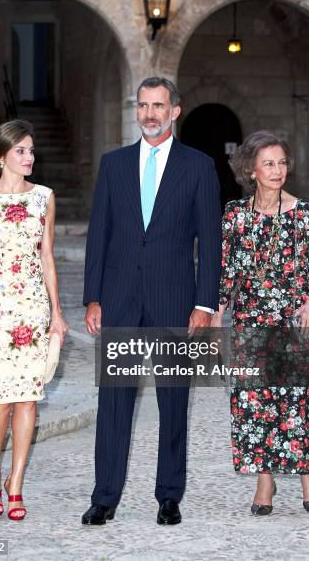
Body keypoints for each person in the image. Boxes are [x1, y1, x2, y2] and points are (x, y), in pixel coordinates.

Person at [82, 77, 222, 525]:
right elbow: (98, 236)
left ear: (175, 111)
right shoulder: (114, 164)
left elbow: (211, 241)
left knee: (174, 401)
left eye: (158, 105)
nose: (149, 114)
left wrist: (205, 303)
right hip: (120, 298)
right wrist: (93, 298)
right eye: (143, 105)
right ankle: (104, 497)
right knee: (114, 401)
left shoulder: (199, 167)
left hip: (175, 298)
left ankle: (169, 495)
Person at [211, 130, 309, 515]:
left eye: (281, 162)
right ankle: (265, 481)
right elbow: (226, 273)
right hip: (250, 320)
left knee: (299, 401)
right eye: (268, 163)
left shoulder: (308, 214)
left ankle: (307, 474)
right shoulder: (234, 215)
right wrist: (216, 315)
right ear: (251, 170)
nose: (277, 170)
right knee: (254, 402)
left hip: (296, 321)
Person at [0, 120, 68, 520]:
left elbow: (47, 257)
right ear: (1, 155)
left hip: (33, 309)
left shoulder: (44, 197)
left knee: (28, 399)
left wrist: (56, 312)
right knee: (0, 400)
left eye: (31, 151)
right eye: (21, 150)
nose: (29, 157)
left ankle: (16, 482)